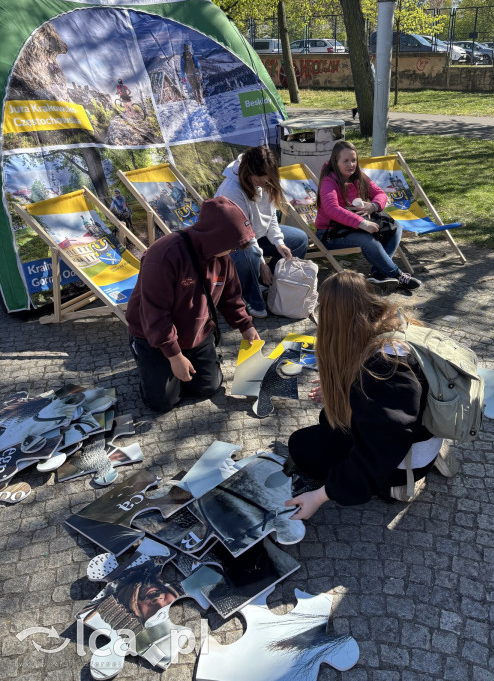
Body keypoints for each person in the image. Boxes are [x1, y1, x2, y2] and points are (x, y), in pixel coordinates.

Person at [285, 271, 455, 521]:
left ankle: (388, 487)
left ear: (334, 321)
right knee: (327, 417)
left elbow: (383, 445)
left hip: (406, 460)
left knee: (301, 446)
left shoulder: (385, 367)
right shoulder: (394, 325)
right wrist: (345, 391)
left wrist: (321, 495)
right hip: (418, 432)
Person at [126, 196, 260, 412]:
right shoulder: (163, 255)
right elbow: (154, 312)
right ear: (215, 237)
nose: (233, 252)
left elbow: (231, 295)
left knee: (208, 387)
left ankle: (178, 366)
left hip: (196, 333)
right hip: (154, 336)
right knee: (162, 402)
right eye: (232, 247)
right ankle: (149, 362)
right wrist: (174, 355)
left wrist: (246, 325)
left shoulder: (223, 256)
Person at [215, 146, 309, 318]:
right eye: (260, 179)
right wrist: (262, 264)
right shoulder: (232, 190)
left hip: (257, 235)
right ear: (248, 173)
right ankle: (250, 297)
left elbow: (271, 217)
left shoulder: (266, 181)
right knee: (249, 253)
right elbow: (243, 233)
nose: (263, 183)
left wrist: (279, 243)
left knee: (300, 240)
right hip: (231, 242)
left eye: (266, 179)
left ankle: (266, 285)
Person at [315, 140, 421, 291]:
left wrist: (374, 206)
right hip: (330, 232)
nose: (350, 164)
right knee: (368, 240)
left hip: (351, 225)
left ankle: (379, 274)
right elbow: (332, 209)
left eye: (353, 160)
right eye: (345, 161)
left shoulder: (357, 176)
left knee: (395, 226)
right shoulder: (328, 181)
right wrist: (362, 224)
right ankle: (398, 275)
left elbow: (380, 193)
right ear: (335, 161)